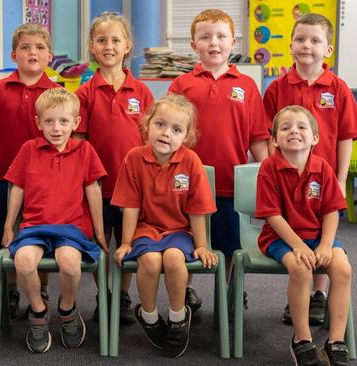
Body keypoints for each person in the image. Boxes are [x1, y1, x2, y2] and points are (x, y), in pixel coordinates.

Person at [263, 13, 357, 325]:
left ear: (328, 50)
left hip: (325, 180)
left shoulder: (338, 88)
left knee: (322, 236)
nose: (307, 45)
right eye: (301, 39)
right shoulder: (277, 88)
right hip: (285, 181)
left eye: (315, 40)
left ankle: (318, 295)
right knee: (292, 235)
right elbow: (270, 137)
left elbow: (346, 136)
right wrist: (275, 168)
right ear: (291, 45)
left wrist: (342, 177)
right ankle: (298, 295)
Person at [168, 8, 270, 314]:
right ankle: (184, 292)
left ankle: (230, 292)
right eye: (206, 37)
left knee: (228, 246)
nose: (214, 42)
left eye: (221, 36)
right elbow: (170, 134)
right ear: (193, 44)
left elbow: (257, 137)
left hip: (230, 184)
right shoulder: (182, 85)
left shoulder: (247, 86)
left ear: (233, 42)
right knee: (186, 242)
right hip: (185, 184)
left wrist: (268, 171)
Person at [1, 88, 107, 354]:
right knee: (24, 262)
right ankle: (39, 311)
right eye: (48, 121)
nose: (56, 128)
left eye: (63, 121)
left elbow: (93, 190)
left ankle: (67, 308)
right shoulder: (28, 149)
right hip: (34, 228)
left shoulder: (85, 150)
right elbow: (17, 188)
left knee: (70, 264)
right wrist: (7, 225)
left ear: (76, 123)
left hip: (71, 229)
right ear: (38, 123)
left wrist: (100, 230)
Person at [112, 94, 217, 358]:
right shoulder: (134, 158)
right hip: (146, 230)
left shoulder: (190, 161)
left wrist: (202, 245)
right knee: (148, 260)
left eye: (176, 129)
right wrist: (125, 242)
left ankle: (178, 317)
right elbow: (130, 206)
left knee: (172, 259)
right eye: (160, 124)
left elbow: (197, 209)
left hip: (180, 231)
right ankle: (148, 316)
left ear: (187, 136)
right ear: (147, 125)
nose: (166, 133)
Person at [255, 105, 352, 366]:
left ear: (315, 138)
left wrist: (325, 244)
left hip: (318, 236)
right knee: (301, 269)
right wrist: (298, 246)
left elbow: (332, 211)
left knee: (342, 268)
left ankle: (336, 340)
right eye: (285, 128)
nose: (293, 131)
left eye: (301, 127)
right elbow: (273, 216)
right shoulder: (268, 168)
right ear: (274, 140)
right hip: (279, 237)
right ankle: (302, 339)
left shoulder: (323, 168)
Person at [75, 11, 154, 324]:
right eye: (102, 40)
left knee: (126, 242)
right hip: (97, 185)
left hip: (132, 187)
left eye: (115, 40)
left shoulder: (142, 92)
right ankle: (102, 294)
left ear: (127, 47)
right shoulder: (85, 92)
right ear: (93, 47)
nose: (109, 46)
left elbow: (149, 139)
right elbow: (79, 142)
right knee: (99, 241)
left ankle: (121, 296)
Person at [0, 23, 59, 318]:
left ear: (49, 55)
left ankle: (43, 287)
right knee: (5, 236)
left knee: (42, 234)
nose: (32, 53)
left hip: (44, 181)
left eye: (39, 48)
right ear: (14, 54)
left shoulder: (57, 92)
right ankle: (11, 289)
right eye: (25, 47)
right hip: (2, 178)